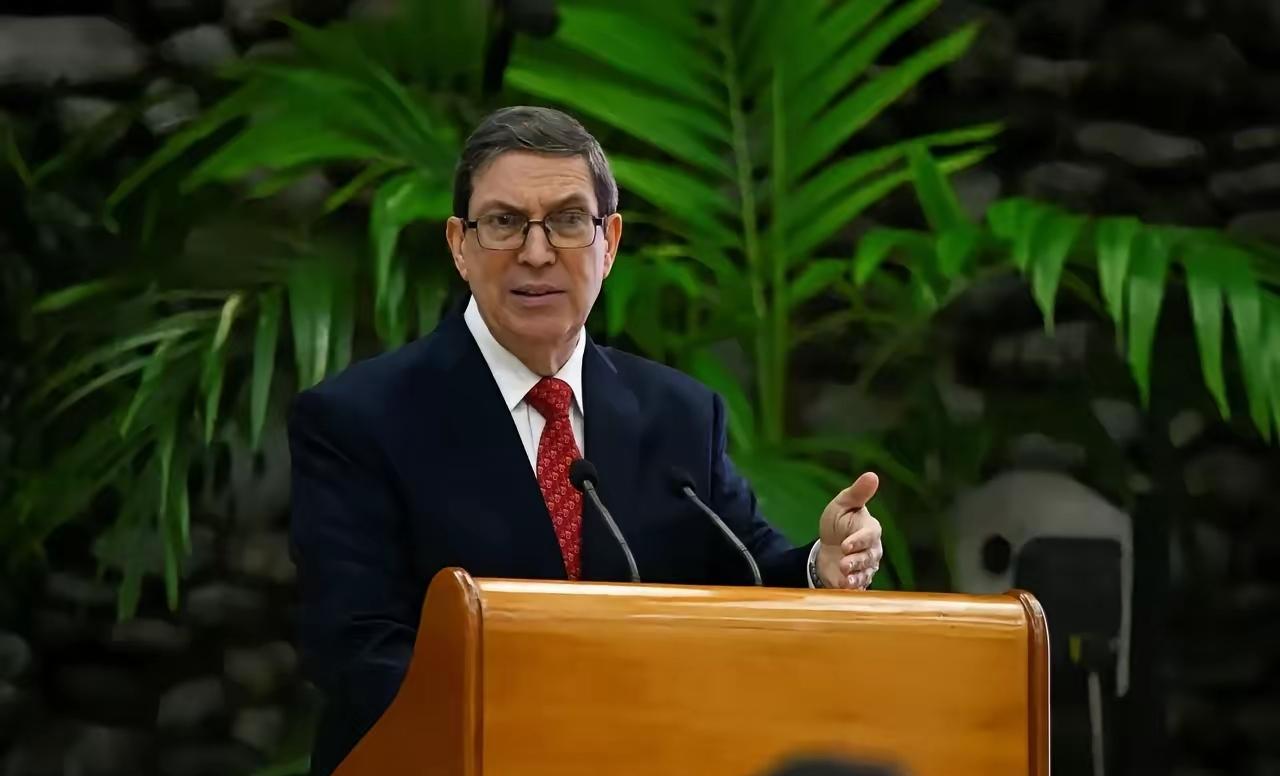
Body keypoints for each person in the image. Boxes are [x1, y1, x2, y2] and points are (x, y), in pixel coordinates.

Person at [287, 105, 885, 776]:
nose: (536, 252)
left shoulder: (679, 414)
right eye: (505, 222)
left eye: (568, 220)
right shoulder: (359, 418)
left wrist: (824, 565)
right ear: (460, 245)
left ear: (610, 242)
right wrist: (543, 740)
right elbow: (356, 647)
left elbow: (747, 577)